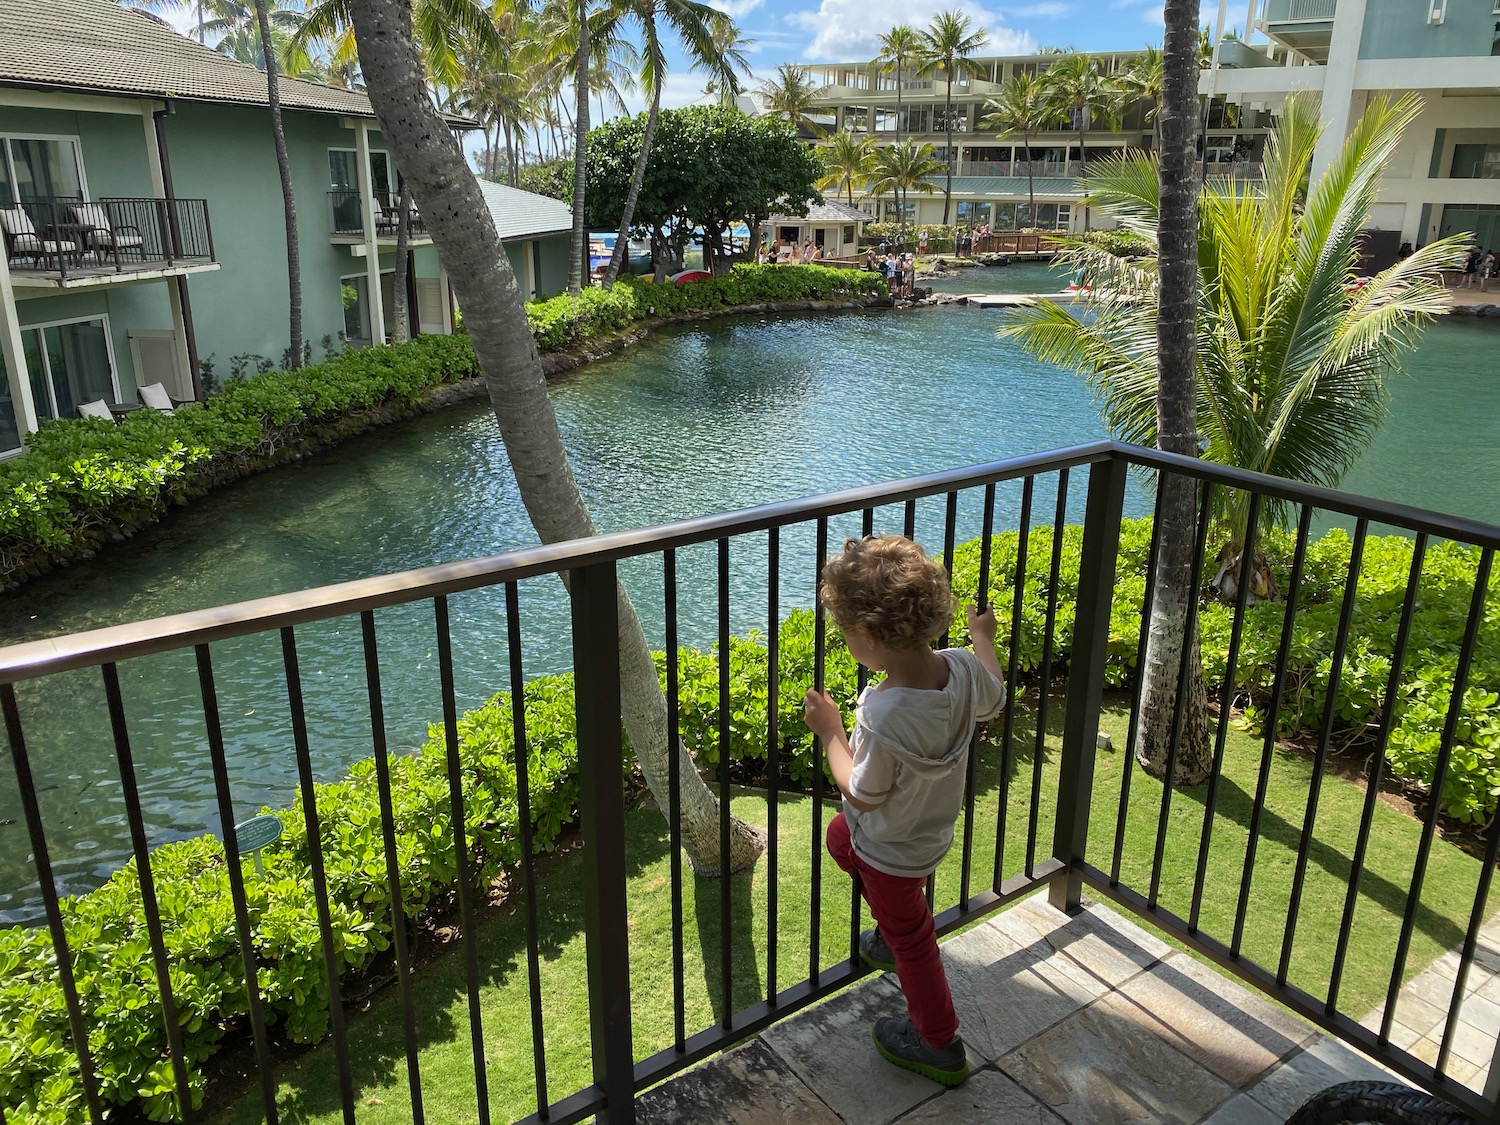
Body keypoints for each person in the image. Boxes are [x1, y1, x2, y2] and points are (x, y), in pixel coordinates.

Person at [803, 535, 1006, 1088]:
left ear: (868, 636)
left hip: (891, 849)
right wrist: (982, 639)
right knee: (840, 838)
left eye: (844, 634)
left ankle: (938, 1043)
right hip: (928, 832)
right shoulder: (962, 669)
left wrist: (832, 735)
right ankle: (894, 931)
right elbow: (995, 696)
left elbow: (863, 791)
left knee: (915, 941)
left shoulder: (884, 712)